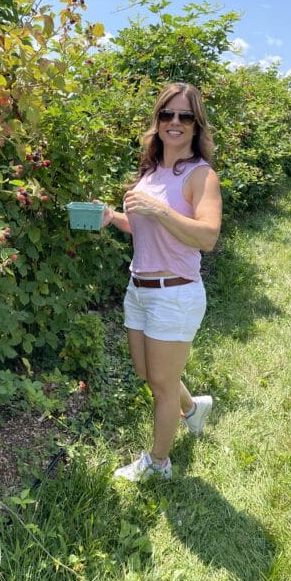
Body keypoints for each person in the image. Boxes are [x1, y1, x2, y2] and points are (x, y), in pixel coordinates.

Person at [101, 81, 222, 482]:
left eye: (185, 116)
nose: (175, 122)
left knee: (161, 384)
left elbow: (206, 237)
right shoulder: (151, 172)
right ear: (157, 120)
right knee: (146, 373)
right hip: (139, 290)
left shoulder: (200, 176)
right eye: (167, 114)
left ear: (196, 125)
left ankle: (158, 463)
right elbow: (145, 230)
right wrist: (113, 218)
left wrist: (158, 209)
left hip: (176, 293)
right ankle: (191, 408)